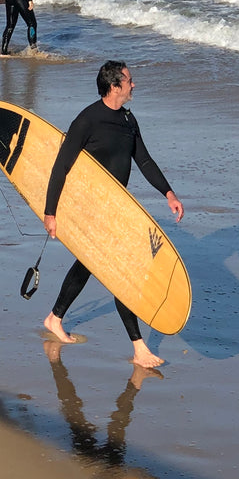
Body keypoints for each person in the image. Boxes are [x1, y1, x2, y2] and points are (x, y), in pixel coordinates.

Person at [43, 60, 184, 369]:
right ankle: (139, 348)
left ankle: (55, 317)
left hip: (116, 208)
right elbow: (61, 166)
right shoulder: (87, 120)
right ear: (114, 86)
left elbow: (144, 160)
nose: (134, 85)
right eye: (129, 81)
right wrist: (50, 212)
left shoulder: (128, 120)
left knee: (89, 264)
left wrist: (168, 193)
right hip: (93, 208)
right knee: (120, 274)